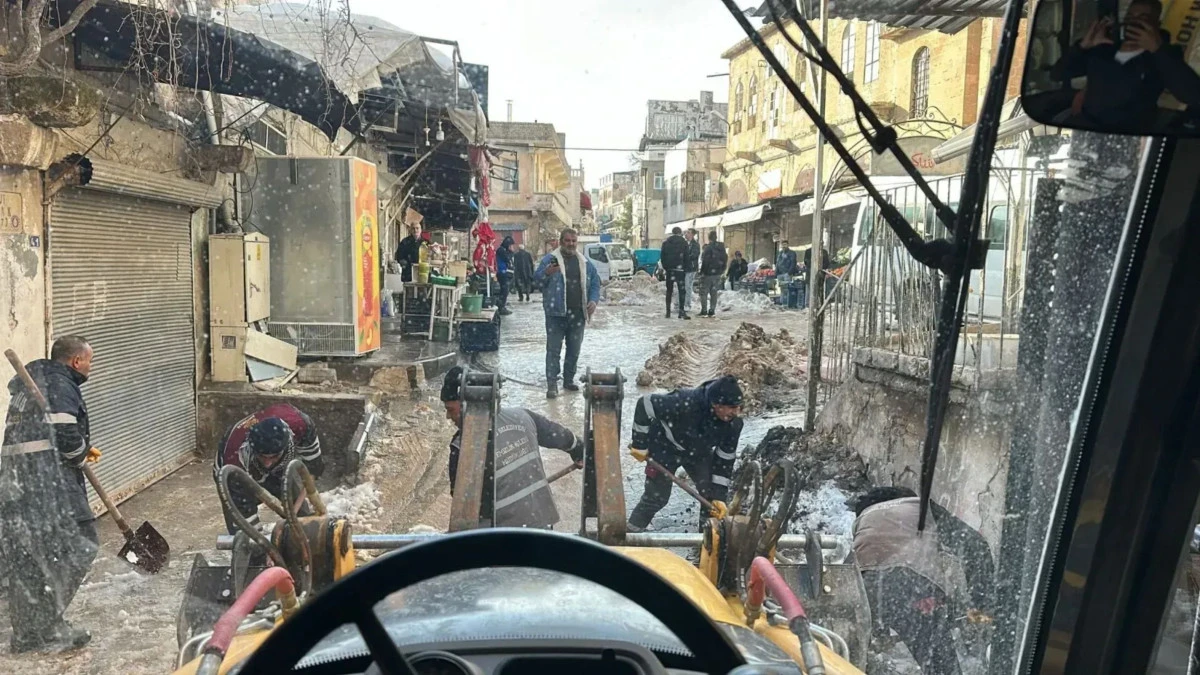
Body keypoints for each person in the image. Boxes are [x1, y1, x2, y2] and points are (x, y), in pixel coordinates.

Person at [0, 336, 100, 652]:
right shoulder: (58, 382)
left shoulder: (32, 384)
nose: (90, 367)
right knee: (80, 543)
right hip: (46, 482)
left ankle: (30, 633)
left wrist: (77, 448)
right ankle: (45, 622)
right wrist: (81, 454)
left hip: (16, 483)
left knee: (30, 556)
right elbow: (66, 433)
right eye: (89, 361)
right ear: (76, 361)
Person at [848, 486, 996, 675]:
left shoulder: (864, 520)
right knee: (943, 670)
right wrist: (981, 605)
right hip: (917, 590)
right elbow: (976, 545)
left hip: (866, 590)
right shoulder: (920, 507)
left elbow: (855, 567)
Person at [441, 367, 584, 528]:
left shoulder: (462, 446)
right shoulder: (522, 416)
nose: (448, 417)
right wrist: (579, 450)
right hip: (540, 524)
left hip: (502, 536)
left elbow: (462, 503)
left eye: (450, 410)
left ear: (466, 404)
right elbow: (561, 436)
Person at [1052, 0, 1200, 131]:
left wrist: (1158, 49)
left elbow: (1193, 95)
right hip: (1085, 127)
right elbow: (1057, 74)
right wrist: (1083, 46)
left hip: (1127, 134)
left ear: (1156, 24)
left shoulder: (1161, 57)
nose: (1133, 23)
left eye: (1142, 19)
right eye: (1129, 18)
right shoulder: (1104, 49)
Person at [627, 375, 744, 532]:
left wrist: (719, 496)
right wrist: (639, 444)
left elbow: (725, 459)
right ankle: (629, 535)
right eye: (732, 407)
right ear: (716, 404)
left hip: (698, 454)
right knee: (656, 498)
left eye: (738, 407)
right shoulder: (682, 403)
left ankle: (707, 539)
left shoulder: (733, 425)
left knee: (710, 498)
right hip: (664, 447)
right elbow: (645, 404)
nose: (736, 412)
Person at [214, 403, 325, 535]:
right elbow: (245, 517)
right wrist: (260, 547)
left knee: (304, 523)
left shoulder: (300, 425)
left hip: (280, 469)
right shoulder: (234, 460)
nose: (267, 463)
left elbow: (313, 468)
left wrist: (296, 516)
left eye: (273, 457)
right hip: (239, 473)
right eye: (263, 457)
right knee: (244, 536)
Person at [533, 228, 601, 399]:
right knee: (553, 350)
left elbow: (595, 283)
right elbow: (535, 281)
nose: (571, 244)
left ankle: (568, 380)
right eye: (567, 240)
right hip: (556, 314)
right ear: (561, 241)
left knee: (574, 350)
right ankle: (552, 384)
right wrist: (546, 273)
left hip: (578, 314)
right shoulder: (551, 260)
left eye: (573, 241)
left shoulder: (584, 262)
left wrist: (593, 300)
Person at [660, 226, 690, 320]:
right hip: (680, 270)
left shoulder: (666, 243)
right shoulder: (684, 243)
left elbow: (662, 257)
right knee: (682, 290)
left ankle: (668, 312)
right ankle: (681, 311)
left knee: (669, 291)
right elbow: (687, 257)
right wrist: (685, 268)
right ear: (680, 233)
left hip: (670, 270)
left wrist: (667, 268)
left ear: (672, 233)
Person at [698, 231, 728, 318]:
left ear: (709, 237)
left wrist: (702, 272)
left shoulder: (708, 248)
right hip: (717, 273)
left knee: (704, 292)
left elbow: (705, 261)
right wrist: (722, 270)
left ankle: (704, 310)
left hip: (708, 273)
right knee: (714, 292)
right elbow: (725, 259)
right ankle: (712, 310)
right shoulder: (721, 248)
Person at [496, 235, 515, 316]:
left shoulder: (503, 250)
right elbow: (507, 259)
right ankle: (501, 307)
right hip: (502, 273)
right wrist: (511, 252)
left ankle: (502, 306)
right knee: (504, 290)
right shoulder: (501, 250)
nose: (512, 247)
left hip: (505, 273)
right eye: (511, 245)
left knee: (505, 291)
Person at [684, 228, 701, 312]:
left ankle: (687, 305)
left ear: (692, 235)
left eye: (688, 233)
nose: (686, 234)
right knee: (685, 286)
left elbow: (694, 255)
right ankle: (685, 303)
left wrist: (685, 257)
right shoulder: (686, 243)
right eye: (686, 232)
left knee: (688, 286)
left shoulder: (695, 244)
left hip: (691, 268)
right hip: (686, 268)